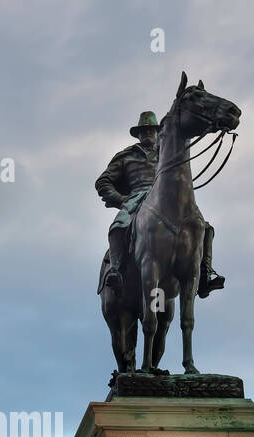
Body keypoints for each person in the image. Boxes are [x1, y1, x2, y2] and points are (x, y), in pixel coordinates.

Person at [96, 111, 225, 298]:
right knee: (119, 224)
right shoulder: (125, 156)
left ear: (157, 132)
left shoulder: (167, 153)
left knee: (204, 227)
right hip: (136, 197)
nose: (148, 133)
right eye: (144, 130)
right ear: (138, 134)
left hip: (165, 198)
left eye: (151, 130)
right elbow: (103, 181)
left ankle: (204, 274)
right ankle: (116, 269)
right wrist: (121, 199)